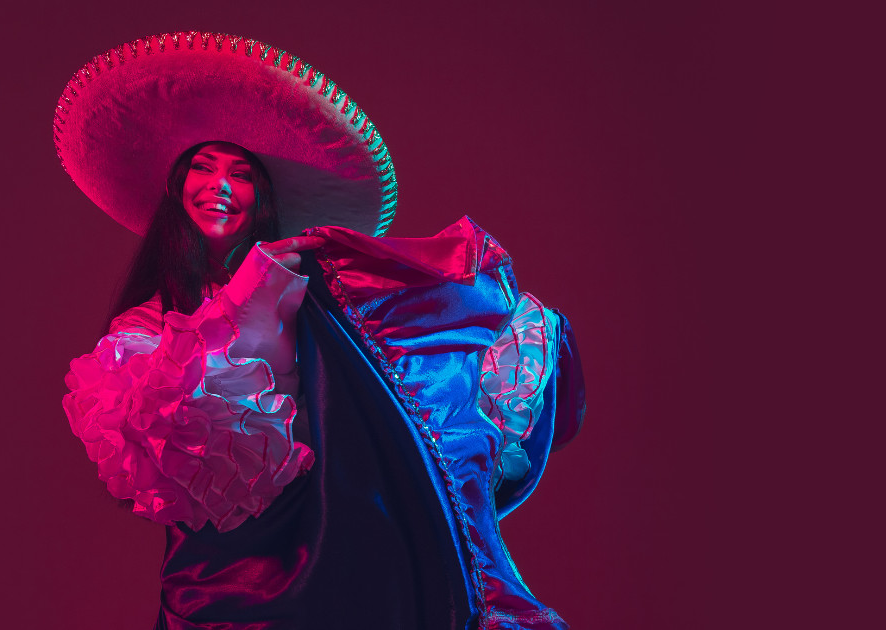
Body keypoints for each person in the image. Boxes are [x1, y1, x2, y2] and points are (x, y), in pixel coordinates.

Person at [57, 31, 585, 630]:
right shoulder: (146, 325)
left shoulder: (307, 291)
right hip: (220, 583)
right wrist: (252, 286)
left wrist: (495, 316)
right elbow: (166, 434)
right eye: (203, 168)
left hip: (331, 555)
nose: (220, 186)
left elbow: (383, 385)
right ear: (178, 189)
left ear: (261, 199)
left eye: (240, 174)